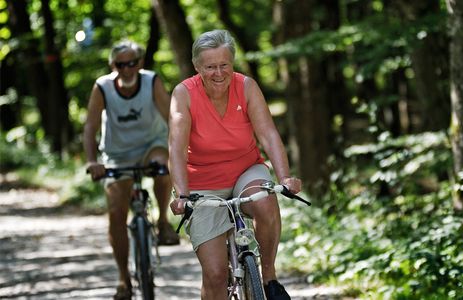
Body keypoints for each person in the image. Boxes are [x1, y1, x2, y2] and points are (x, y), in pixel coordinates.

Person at [168, 29, 302, 300]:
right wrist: (181, 194)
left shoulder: (246, 86)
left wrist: (285, 177)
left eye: (224, 65)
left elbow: (268, 134)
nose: (219, 73)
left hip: (245, 170)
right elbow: (177, 148)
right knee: (216, 275)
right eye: (210, 67)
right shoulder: (184, 94)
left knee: (265, 200)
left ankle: (269, 278)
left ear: (232, 63)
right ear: (197, 67)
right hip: (201, 185)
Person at [83, 40, 180, 300]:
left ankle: (162, 222)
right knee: (116, 211)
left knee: (162, 168)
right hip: (117, 153)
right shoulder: (102, 87)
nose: (127, 69)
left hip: (152, 144)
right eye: (121, 64)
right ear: (112, 65)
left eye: (132, 63)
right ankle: (123, 278)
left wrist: (181, 150)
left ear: (140, 63)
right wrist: (93, 161)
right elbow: (91, 126)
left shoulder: (151, 81)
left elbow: (173, 117)